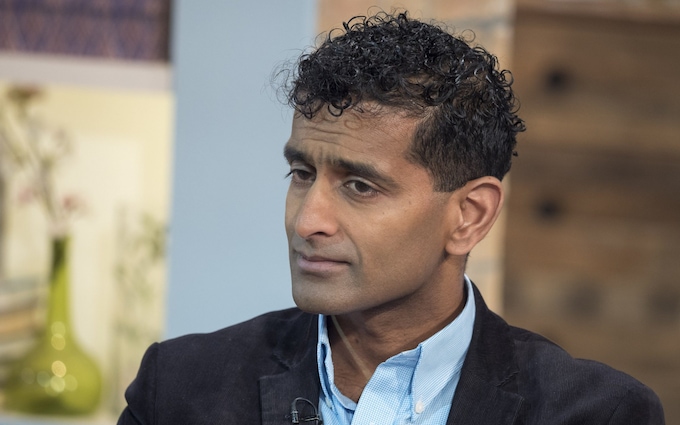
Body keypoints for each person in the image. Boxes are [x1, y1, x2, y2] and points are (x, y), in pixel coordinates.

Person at [117, 11, 664, 425]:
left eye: (360, 186)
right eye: (302, 173)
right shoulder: (180, 389)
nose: (307, 221)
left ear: (469, 216)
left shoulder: (597, 413)